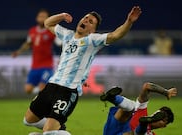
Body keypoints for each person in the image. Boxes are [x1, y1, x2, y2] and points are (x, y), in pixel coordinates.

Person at [23, 6, 142, 135]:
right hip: (51, 85)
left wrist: (129, 22)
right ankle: (60, 130)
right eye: (85, 18)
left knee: (48, 132)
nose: (86, 21)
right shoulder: (67, 35)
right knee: (28, 120)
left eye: (90, 22)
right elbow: (47, 23)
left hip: (67, 91)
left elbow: (115, 35)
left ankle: (58, 131)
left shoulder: (93, 40)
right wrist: (62, 16)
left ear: (93, 30)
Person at [12, 9, 61, 94]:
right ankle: (46, 96)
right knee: (28, 89)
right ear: (37, 18)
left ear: (48, 19)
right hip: (35, 66)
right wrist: (18, 52)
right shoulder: (32, 31)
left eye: (44, 17)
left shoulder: (51, 31)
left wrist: (62, 57)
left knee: (42, 87)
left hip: (47, 66)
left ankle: (41, 103)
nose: (41, 18)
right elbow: (28, 43)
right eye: (40, 16)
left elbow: (61, 44)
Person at [100, 82, 177, 135]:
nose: (159, 120)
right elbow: (147, 87)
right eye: (159, 115)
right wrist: (165, 92)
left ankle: (143, 124)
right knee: (132, 107)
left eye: (162, 120)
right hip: (115, 126)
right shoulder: (142, 111)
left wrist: (166, 92)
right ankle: (112, 98)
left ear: (163, 126)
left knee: (139, 131)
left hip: (119, 131)